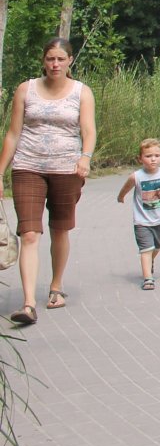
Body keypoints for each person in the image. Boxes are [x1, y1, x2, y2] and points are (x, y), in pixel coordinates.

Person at [0, 37, 97, 327]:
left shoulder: (81, 92)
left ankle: (55, 287)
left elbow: (88, 130)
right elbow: (13, 134)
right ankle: (29, 304)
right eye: (50, 59)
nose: (55, 64)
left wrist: (85, 157)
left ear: (70, 61)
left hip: (67, 169)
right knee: (29, 233)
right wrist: (0, 171)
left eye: (60, 59)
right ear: (43, 61)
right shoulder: (26, 89)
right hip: (27, 167)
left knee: (59, 229)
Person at [115, 138, 160, 290]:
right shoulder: (136, 176)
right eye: (148, 156)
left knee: (157, 246)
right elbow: (125, 188)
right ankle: (148, 278)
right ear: (140, 158)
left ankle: (149, 260)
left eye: (157, 155)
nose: (153, 159)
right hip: (142, 221)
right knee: (146, 249)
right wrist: (121, 197)